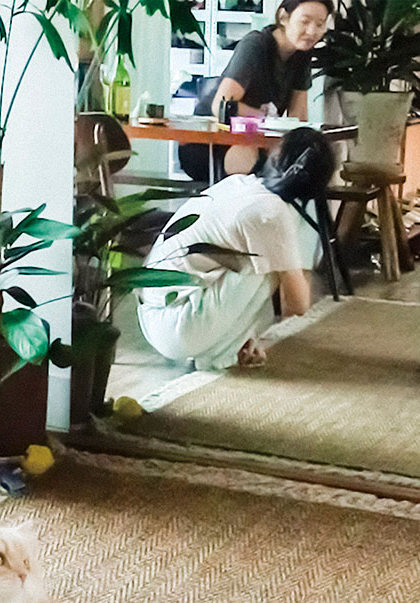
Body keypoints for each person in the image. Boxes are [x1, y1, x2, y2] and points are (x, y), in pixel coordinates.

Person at [138, 126, 336, 370]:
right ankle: (222, 354)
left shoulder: (238, 183)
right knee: (268, 266)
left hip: (153, 318)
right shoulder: (272, 214)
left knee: (263, 258)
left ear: (276, 156)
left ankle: (231, 344)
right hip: (177, 328)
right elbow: (298, 304)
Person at [179, 0, 333, 182]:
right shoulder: (255, 45)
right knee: (260, 160)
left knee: (307, 161)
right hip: (209, 144)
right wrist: (267, 119)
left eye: (320, 24)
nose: (312, 31)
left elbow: (298, 117)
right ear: (284, 17)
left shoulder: (302, 54)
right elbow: (222, 106)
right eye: (305, 21)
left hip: (254, 142)